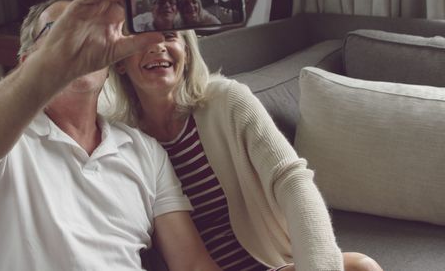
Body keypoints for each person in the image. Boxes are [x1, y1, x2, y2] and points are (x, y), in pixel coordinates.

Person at [0, 0, 223, 270]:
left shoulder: (145, 151)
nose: (80, 42)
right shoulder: (0, 133)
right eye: (60, 32)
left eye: (90, 31)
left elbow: (192, 264)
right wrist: (54, 65)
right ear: (27, 61)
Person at [106, 30, 384, 271]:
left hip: (269, 263)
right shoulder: (120, 141)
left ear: (187, 52)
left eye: (169, 36)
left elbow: (292, 181)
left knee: (362, 267)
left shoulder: (227, 100)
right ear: (119, 62)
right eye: (141, 38)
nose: (157, 46)